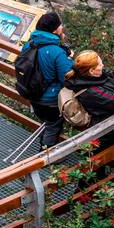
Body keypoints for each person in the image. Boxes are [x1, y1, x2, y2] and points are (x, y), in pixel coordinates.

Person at [65, 49, 114, 146]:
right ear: (91, 70)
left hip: (110, 125)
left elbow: (111, 78)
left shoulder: (88, 76)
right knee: (103, 155)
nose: (103, 65)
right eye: (100, 64)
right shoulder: (92, 92)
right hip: (104, 132)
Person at [21, 11, 72, 149]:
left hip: (32, 94)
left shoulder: (29, 45)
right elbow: (66, 78)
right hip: (50, 100)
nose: (62, 27)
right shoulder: (56, 51)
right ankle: (46, 152)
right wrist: (69, 60)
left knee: (46, 122)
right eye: (60, 25)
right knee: (53, 125)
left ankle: (44, 142)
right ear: (55, 29)